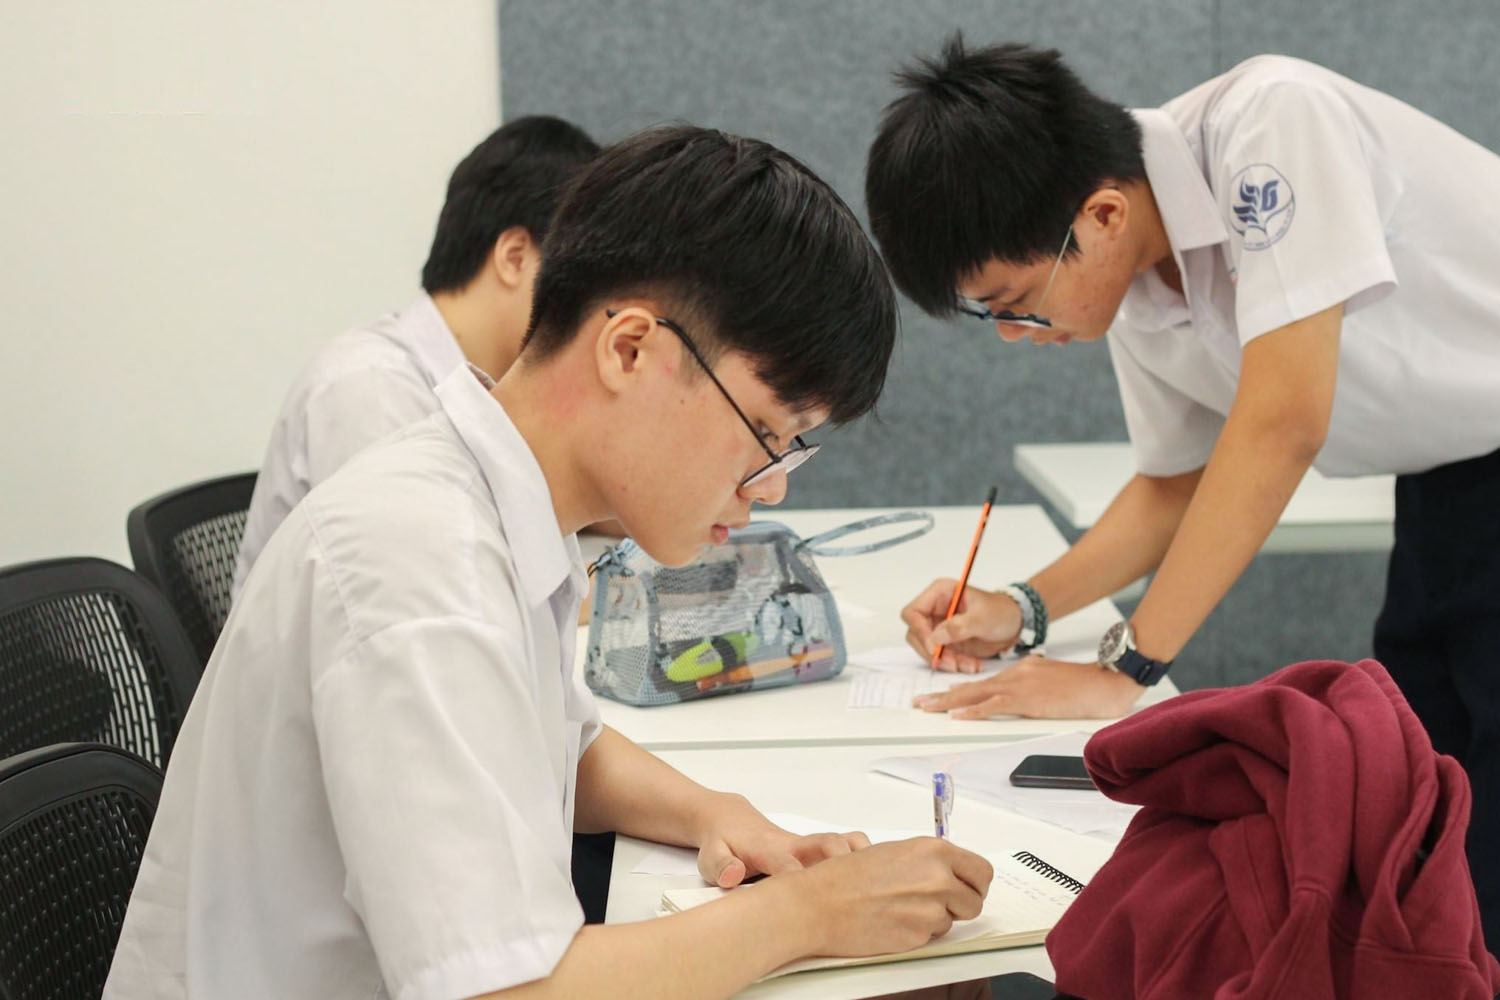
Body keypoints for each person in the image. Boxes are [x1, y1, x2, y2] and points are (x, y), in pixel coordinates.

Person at [104, 125, 993, 1000]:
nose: (769, 490)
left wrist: (715, 812)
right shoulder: (420, 565)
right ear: (631, 349)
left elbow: (566, 749)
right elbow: (509, 993)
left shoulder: (502, 505)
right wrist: (808, 916)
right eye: (765, 434)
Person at [864, 35, 1500, 945]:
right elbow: (1171, 486)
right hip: (1454, 471)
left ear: (1102, 217)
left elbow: (1282, 420)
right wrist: (1023, 606)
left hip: (1483, 455)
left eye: (1011, 300)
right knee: (1420, 804)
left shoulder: (1275, 124)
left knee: (1478, 841)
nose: (1011, 332)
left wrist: (1122, 669)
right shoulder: (1135, 275)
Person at [231, 115, 600, 599]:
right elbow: (419, 589)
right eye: (583, 279)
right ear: (514, 257)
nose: (591, 309)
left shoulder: (483, 390)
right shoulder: (369, 388)